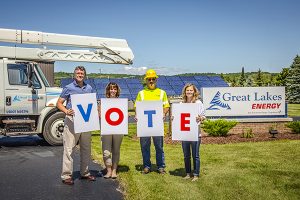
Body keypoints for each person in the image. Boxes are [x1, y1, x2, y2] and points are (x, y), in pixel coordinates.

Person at [57, 66, 96, 185]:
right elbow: (59, 103)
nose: (80, 75)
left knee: (86, 148)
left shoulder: (89, 88)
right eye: (78, 73)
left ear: (85, 75)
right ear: (74, 75)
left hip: (86, 121)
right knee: (69, 148)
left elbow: (92, 103)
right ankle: (66, 175)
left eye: (82, 73)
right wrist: (66, 111)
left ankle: (85, 173)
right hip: (72, 120)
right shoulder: (68, 88)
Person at [134, 69, 170, 174]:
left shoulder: (162, 93)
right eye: (149, 79)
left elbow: (166, 106)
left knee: (159, 146)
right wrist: (136, 115)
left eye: (153, 79)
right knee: (145, 146)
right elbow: (137, 107)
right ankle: (146, 166)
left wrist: (163, 114)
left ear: (156, 80)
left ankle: (161, 166)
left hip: (157, 125)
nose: (151, 81)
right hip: (144, 125)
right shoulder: (141, 93)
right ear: (146, 80)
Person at [180, 83, 206, 181]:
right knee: (186, 155)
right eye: (187, 90)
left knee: (195, 155)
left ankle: (196, 174)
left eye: (191, 90)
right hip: (185, 134)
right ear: (185, 92)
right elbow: (179, 117)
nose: (189, 92)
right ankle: (187, 173)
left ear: (194, 92)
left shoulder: (198, 103)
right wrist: (174, 118)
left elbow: (203, 117)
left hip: (195, 134)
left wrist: (200, 118)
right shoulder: (181, 104)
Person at [101, 82, 124, 179]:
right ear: (108, 90)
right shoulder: (103, 102)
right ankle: (108, 170)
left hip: (118, 129)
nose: (113, 91)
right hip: (107, 129)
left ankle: (114, 171)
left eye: (115, 89)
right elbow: (99, 114)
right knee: (106, 151)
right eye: (111, 89)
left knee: (116, 150)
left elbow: (123, 115)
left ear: (117, 91)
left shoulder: (121, 102)